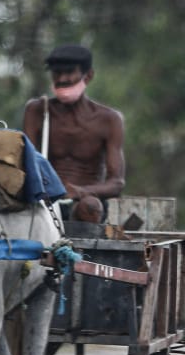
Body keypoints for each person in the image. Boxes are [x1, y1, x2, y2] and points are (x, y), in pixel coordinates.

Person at [22, 44, 125, 223]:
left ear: (89, 75)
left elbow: (116, 183)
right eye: (56, 73)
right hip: (44, 201)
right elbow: (25, 161)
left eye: (69, 72)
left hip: (84, 203)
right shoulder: (38, 111)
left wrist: (80, 191)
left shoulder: (109, 120)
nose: (62, 79)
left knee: (90, 207)